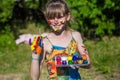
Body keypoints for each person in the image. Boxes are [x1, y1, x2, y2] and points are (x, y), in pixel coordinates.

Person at [16, 0, 91, 80]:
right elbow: (34, 78)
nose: (55, 21)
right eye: (51, 18)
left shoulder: (75, 36)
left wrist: (69, 60)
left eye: (59, 17)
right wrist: (35, 55)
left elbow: (88, 64)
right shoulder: (45, 41)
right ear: (47, 18)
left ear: (67, 16)